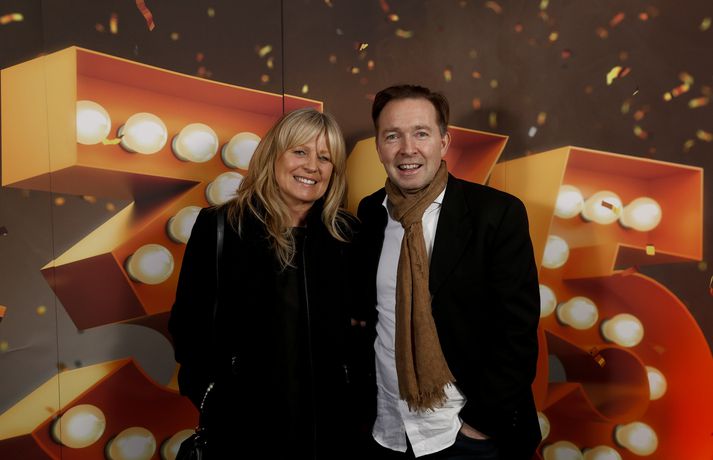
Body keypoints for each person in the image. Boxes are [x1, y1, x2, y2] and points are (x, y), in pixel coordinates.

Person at [356, 85, 541, 459]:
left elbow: (517, 332)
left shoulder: (496, 214)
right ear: (378, 146)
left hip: (461, 435)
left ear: (443, 141)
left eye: (421, 133)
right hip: (387, 430)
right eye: (392, 136)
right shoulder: (371, 213)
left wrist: (480, 425)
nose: (407, 148)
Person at [169, 108, 365, 458]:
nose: (313, 166)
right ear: (273, 155)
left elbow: (367, 327)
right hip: (243, 430)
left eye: (325, 158)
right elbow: (188, 326)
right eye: (300, 152)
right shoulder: (221, 226)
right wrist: (212, 396)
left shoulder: (348, 235)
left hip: (333, 430)